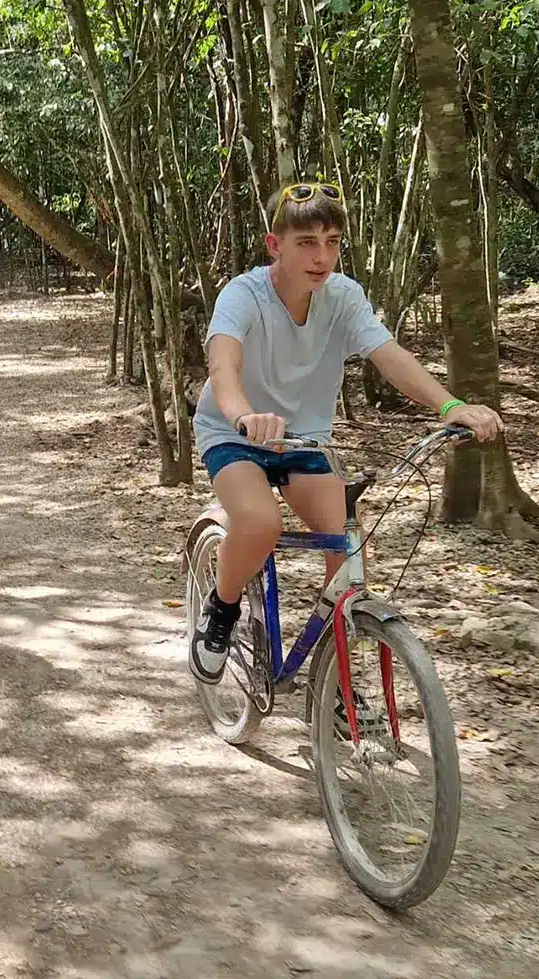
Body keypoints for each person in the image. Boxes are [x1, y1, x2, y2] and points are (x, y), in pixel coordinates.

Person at [187, 181, 504, 684]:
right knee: (260, 523)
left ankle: (337, 685)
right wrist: (246, 415)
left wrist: (450, 404)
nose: (322, 256)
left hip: (306, 440)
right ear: (276, 245)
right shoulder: (243, 295)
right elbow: (223, 367)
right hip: (236, 433)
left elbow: (389, 355)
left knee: (348, 550)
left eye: (332, 241)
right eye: (307, 242)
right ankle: (221, 610)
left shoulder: (343, 296)